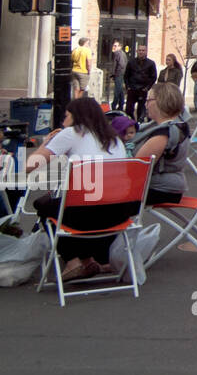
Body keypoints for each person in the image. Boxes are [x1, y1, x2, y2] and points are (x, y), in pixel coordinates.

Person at [28, 98, 128, 280]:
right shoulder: (114, 138)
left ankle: (72, 260)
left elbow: (31, 164)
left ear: (76, 117)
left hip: (85, 215)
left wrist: (46, 143)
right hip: (118, 213)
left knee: (44, 205)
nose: (63, 119)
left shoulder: (71, 133)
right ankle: (92, 260)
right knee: (70, 205)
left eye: (66, 115)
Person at [133, 82, 192, 206]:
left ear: (161, 102)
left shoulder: (164, 133)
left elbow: (137, 167)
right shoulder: (178, 124)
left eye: (149, 100)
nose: (146, 104)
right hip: (169, 186)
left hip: (160, 189)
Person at [124, 46, 157, 121]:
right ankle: (131, 122)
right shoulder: (131, 62)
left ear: (146, 52)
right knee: (128, 109)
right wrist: (128, 86)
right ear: (137, 51)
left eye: (143, 50)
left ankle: (139, 124)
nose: (141, 52)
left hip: (143, 89)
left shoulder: (151, 63)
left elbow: (153, 77)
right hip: (132, 89)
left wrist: (147, 88)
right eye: (139, 50)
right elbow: (126, 75)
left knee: (141, 110)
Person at [109, 40, 127, 111]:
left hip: (119, 75)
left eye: (116, 46)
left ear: (120, 47)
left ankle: (114, 105)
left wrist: (115, 74)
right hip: (120, 74)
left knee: (117, 91)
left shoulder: (119, 53)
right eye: (114, 45)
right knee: (120, 91)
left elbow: (121, 65)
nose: (114, 47)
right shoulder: (120, 53)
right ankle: (121, 106)